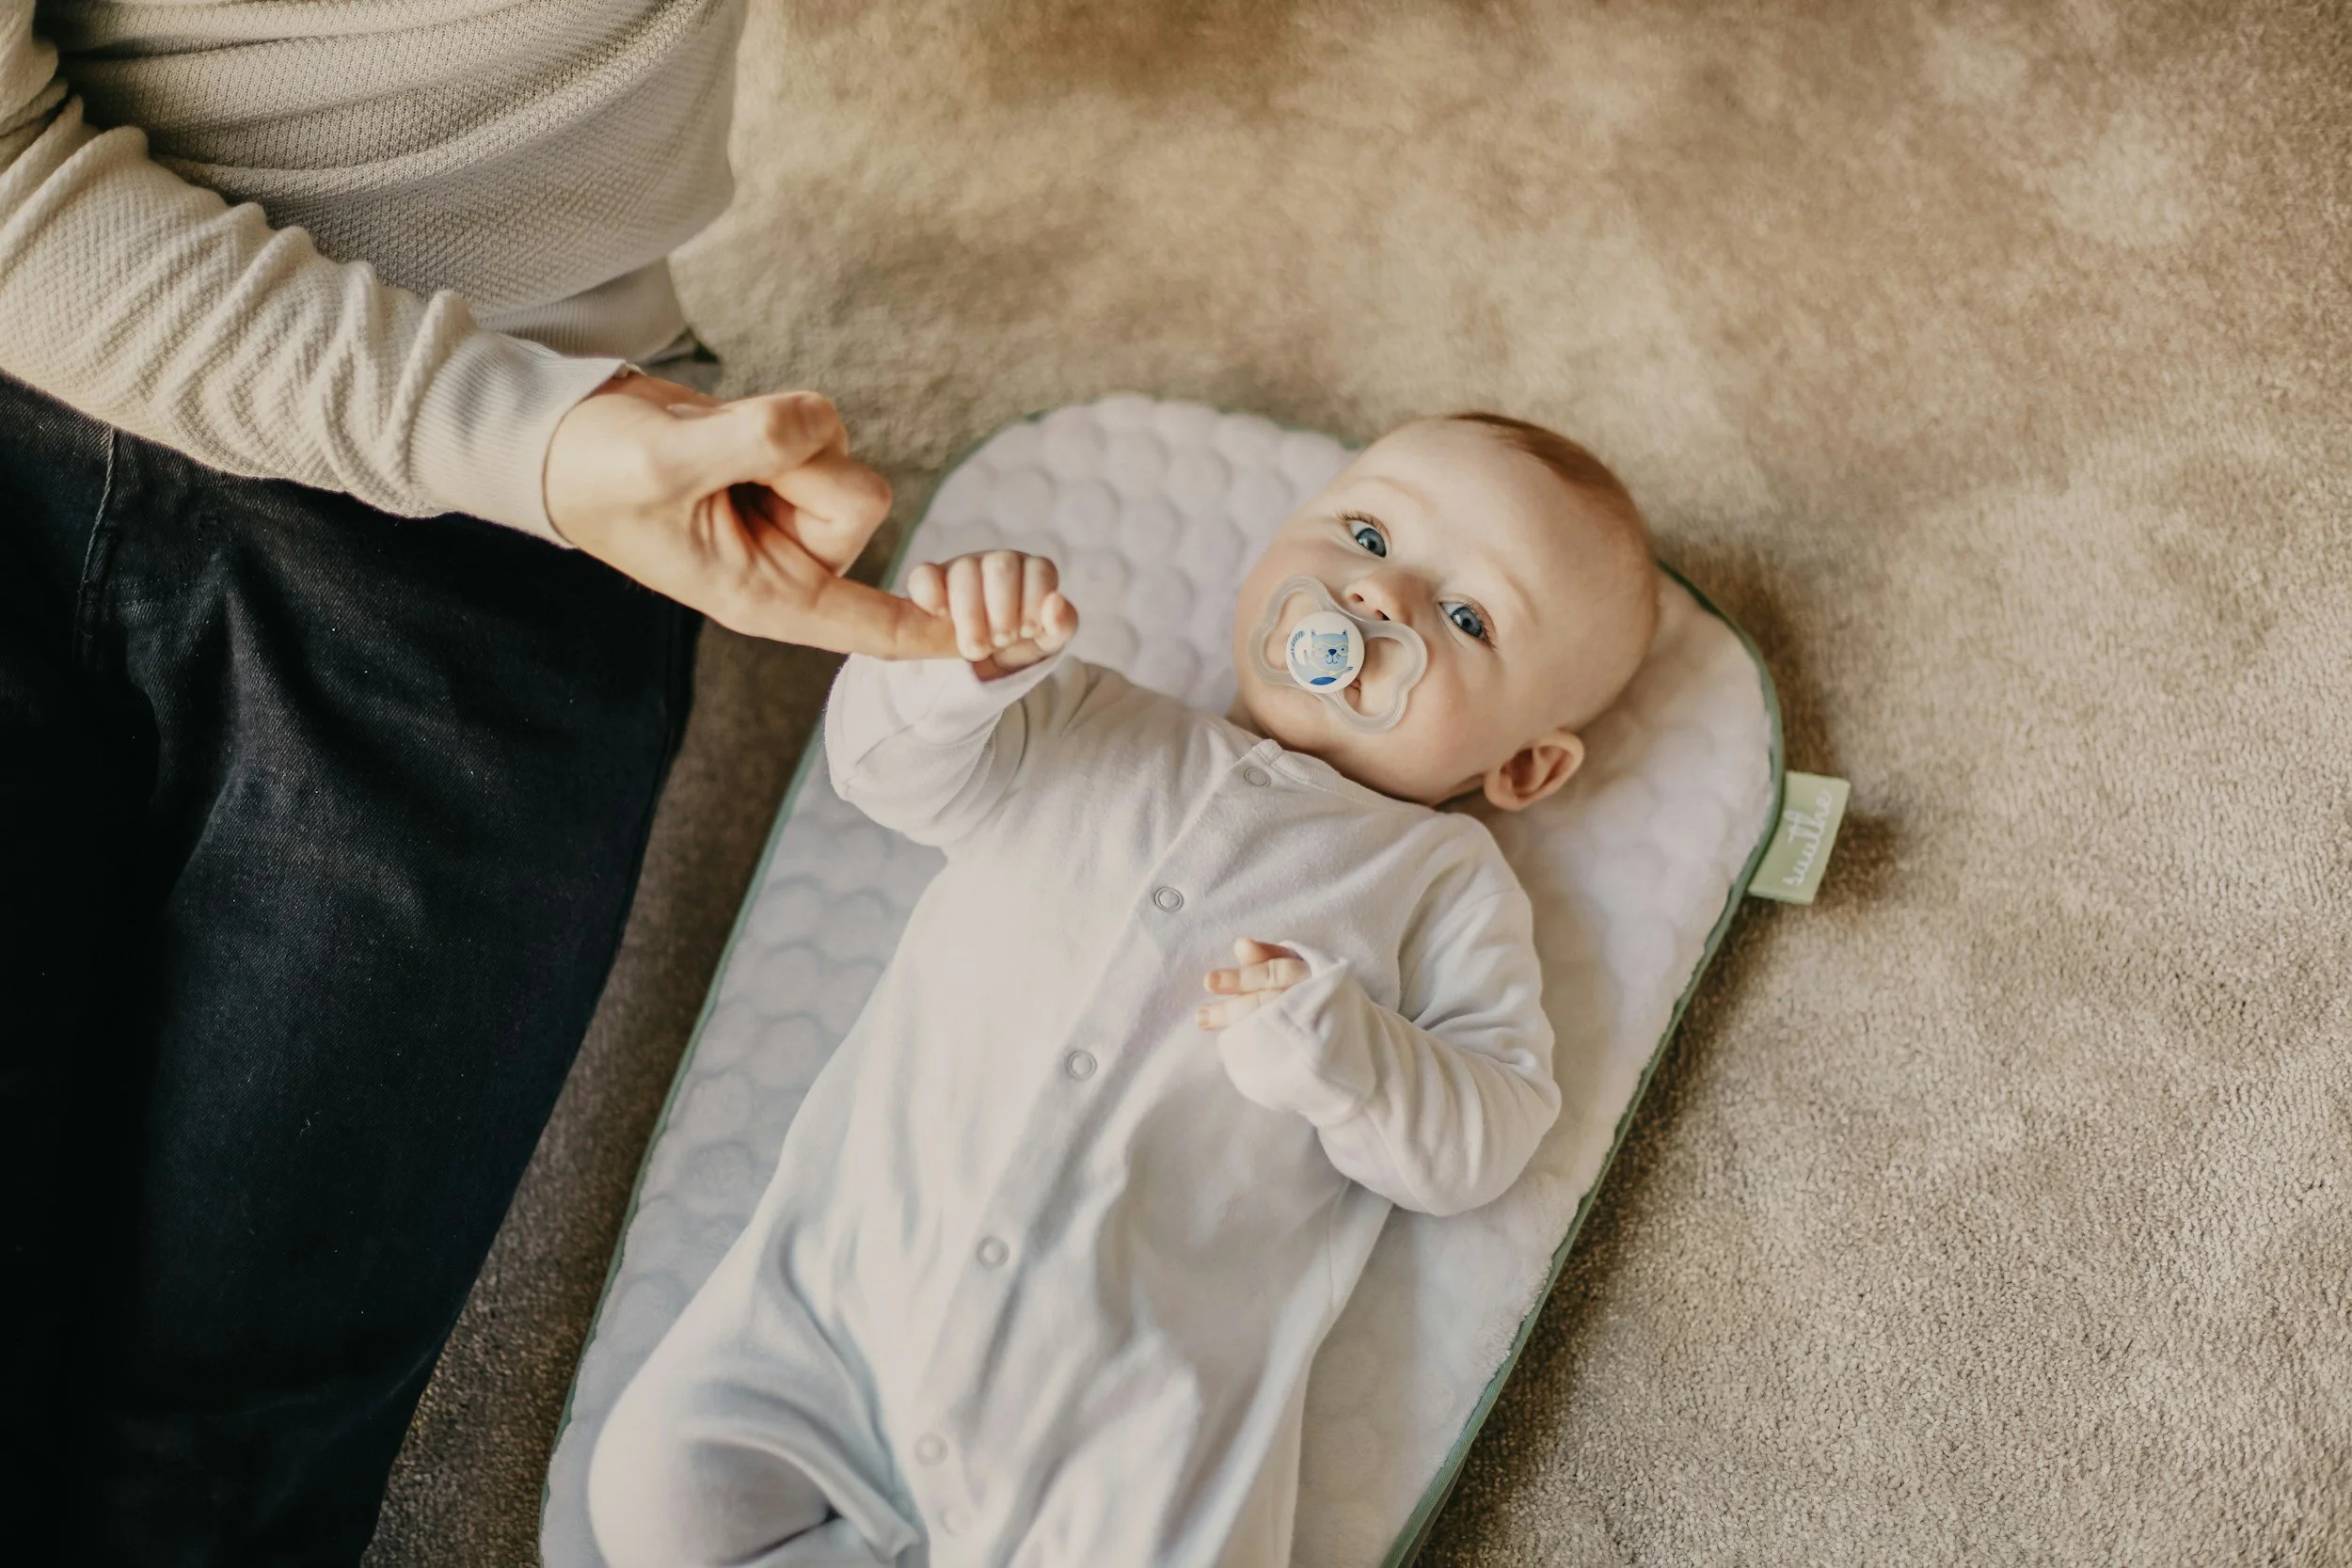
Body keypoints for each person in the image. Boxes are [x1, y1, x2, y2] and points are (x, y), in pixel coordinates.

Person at [0, 2, 955, 1560]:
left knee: (217, 1462)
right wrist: (523, 436)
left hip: (527, 480)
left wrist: (549, 447)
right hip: (94, 359)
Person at [585, 414, 1661, 1567]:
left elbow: (1485, 1135)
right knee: (655, 1492)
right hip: (839, 1313)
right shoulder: (1086, 715)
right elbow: (883, 771)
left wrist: (1349, 1055)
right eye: (1362, 532)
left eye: (1466, 616)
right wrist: (953, 665)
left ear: (1523, 767)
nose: (1382, 596)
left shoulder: (1441, 881)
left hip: (1122, 1414)